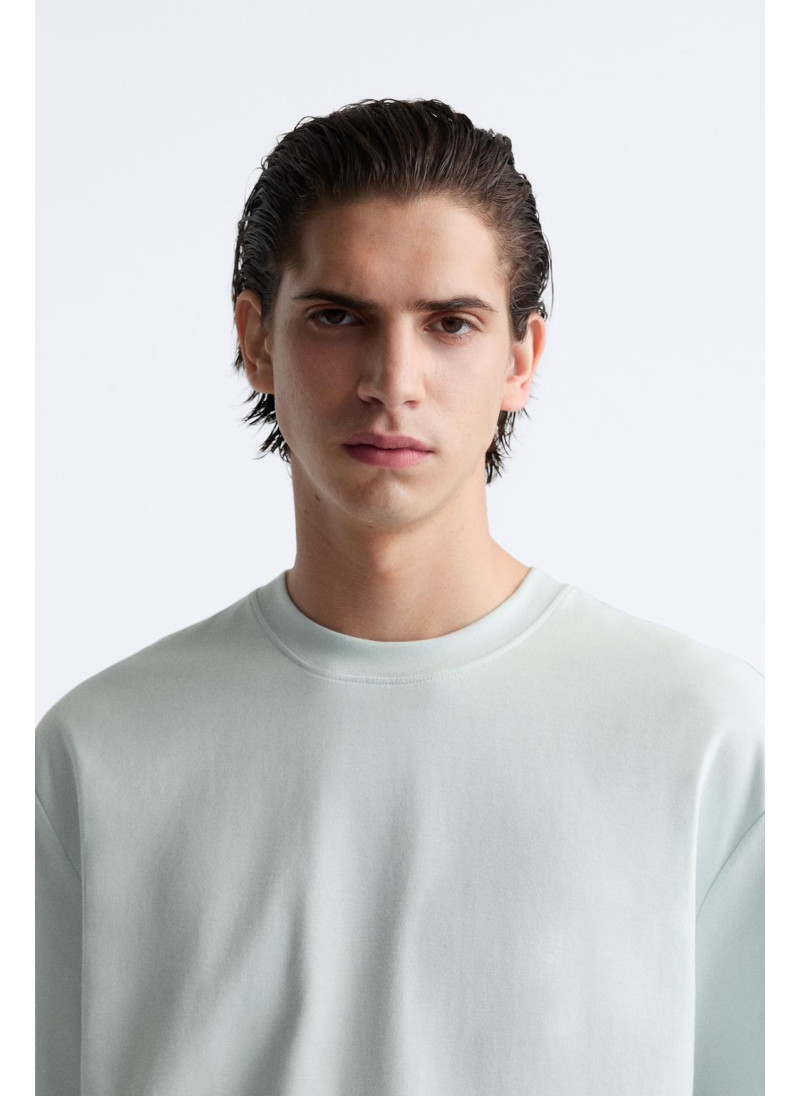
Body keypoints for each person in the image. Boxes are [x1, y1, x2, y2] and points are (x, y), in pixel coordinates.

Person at [36, 98, 764, 1095]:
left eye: (450, 323)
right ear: (255, 339)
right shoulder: (97, 753)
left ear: (520, 358)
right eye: (338, 317)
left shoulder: (711, 742)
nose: (392, 379)